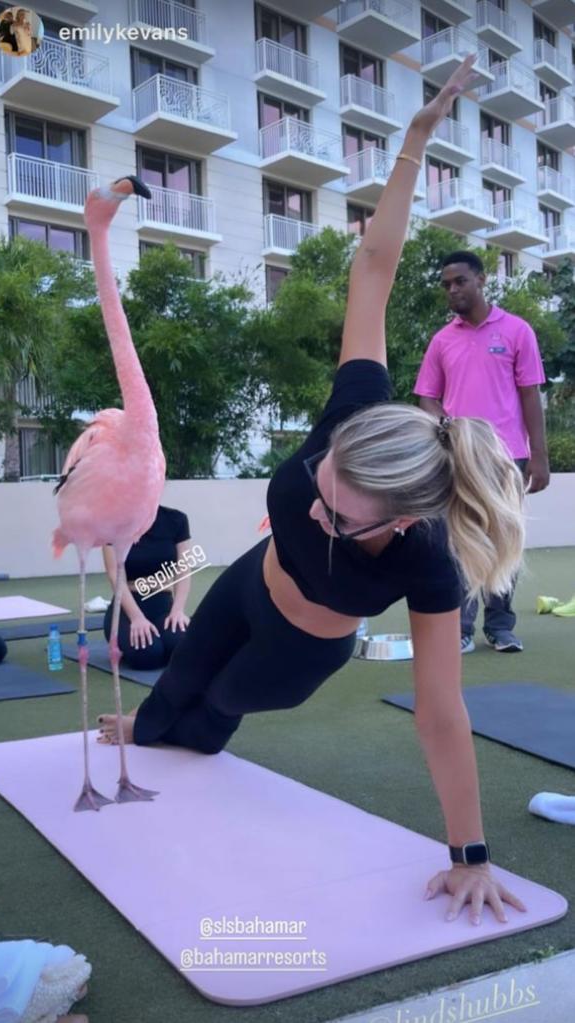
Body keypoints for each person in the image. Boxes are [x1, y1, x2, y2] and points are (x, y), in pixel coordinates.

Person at [99, 56, 528, 927]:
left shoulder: (427, 559)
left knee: (214, 708)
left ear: (401, 518)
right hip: (252, 582)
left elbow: (441, 712)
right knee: (177, 678)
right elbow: (374, 262)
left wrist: (469, 853)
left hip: (299, 651)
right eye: (319, 481)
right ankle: (150, 729)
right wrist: (412, 138)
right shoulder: (356, 409)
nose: (315, 500)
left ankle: (181, 748)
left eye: (336, 512)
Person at [414, 251, 549, 654]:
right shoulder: (442, 340)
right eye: (446, 285)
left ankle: (501, 628)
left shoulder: (517, 330)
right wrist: (446, 432)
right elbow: (427, 397)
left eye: (459, 281)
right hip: (461, 457)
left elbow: (530, 395)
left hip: (508, 457)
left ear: (481, 280)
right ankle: (460, 629)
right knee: (460, 540)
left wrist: (539, 456)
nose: (452, 290)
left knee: (504, 539)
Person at [101, 504, 192, 670]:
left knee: (182, 648)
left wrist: (178, 610)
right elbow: (115, 575)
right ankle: (126, 641)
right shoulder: (113, 523)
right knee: (148, 655)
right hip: (126, 608)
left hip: (163, 604)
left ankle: (161, 642)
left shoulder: (176, 519)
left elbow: (183, 569)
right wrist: (136, 618)